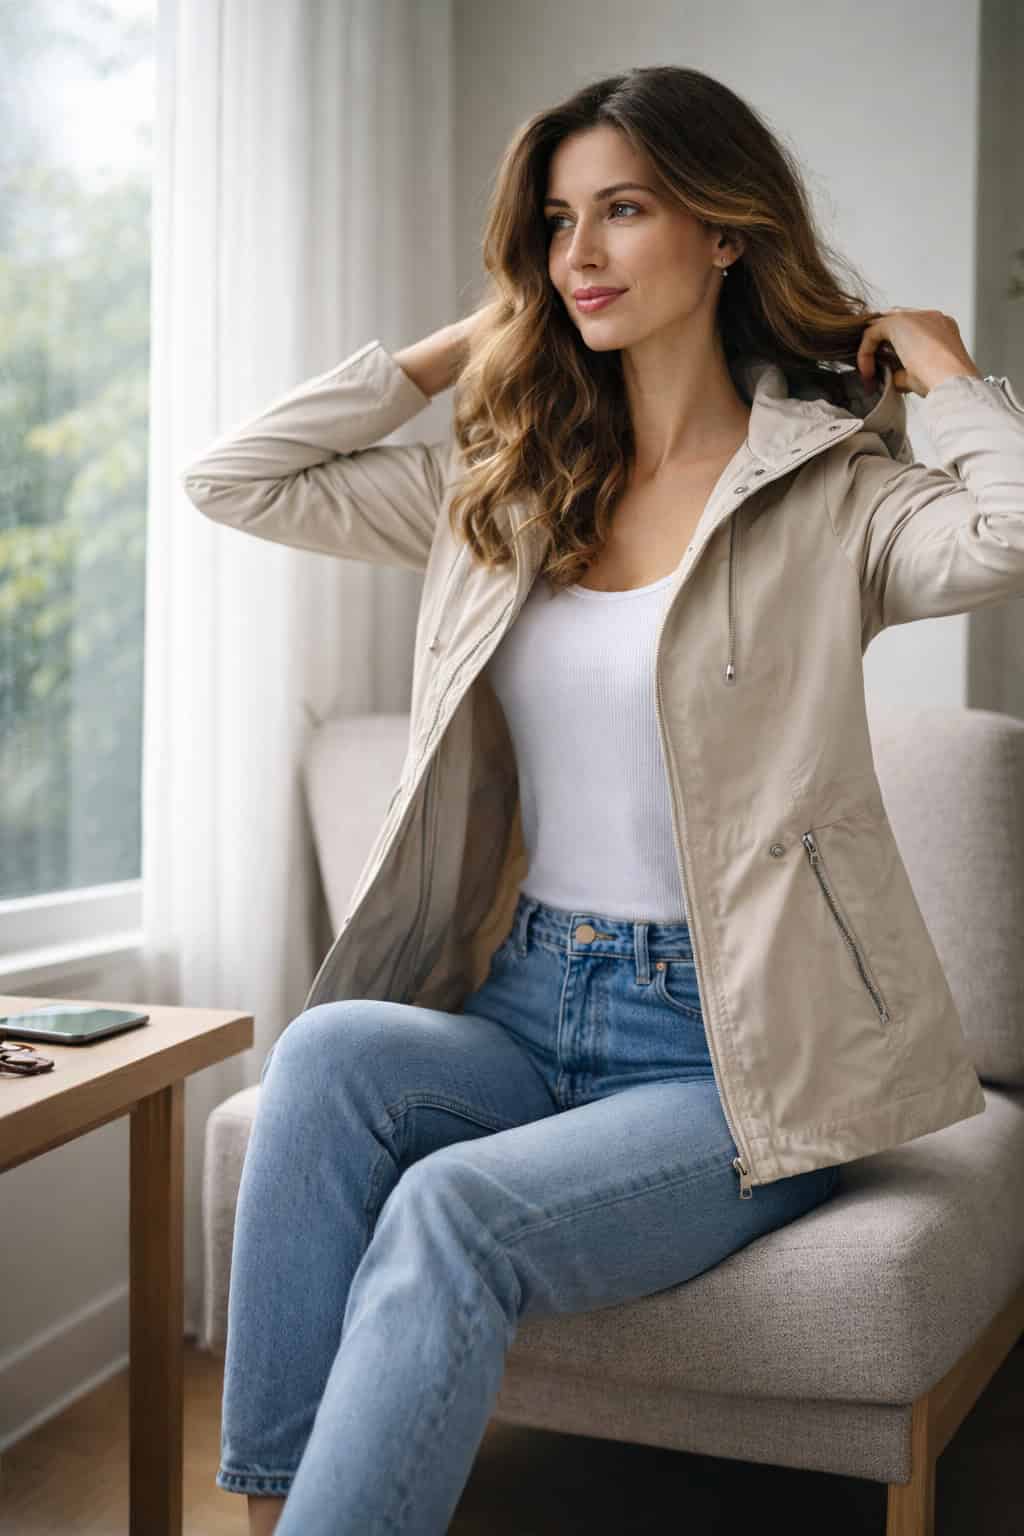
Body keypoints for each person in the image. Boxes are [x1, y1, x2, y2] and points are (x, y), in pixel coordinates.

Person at [181, 64, 1021, 1536]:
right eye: (557, 222)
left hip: (734, 1059)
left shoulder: (839, 496)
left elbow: (1011, 532)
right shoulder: (510, 489)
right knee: (321, 1061)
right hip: (524, 1008)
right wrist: (469, 339)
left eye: (622, 210)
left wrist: (946, 371)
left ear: (724, 235)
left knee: (450, 1215)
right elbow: (232, 477)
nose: (579, 253)